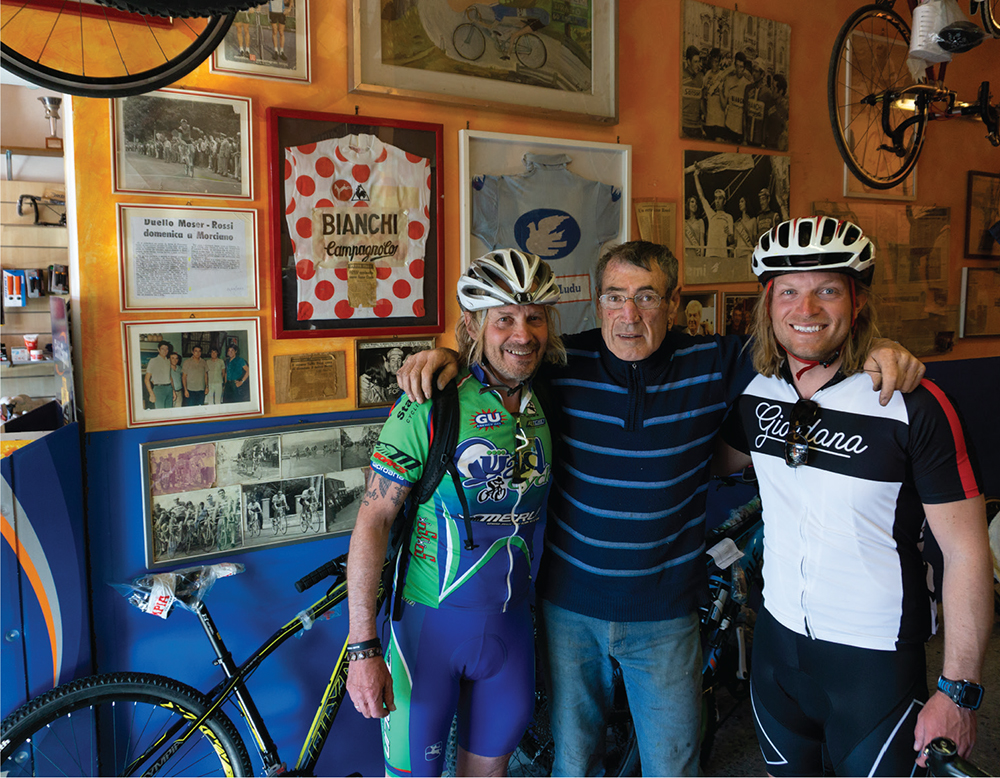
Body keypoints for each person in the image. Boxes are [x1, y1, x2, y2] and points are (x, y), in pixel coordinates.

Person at [396, 241, 923, 777]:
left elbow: (800, 338)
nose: (629, 316)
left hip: (666, 614)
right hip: (569, 609)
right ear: (597, 303)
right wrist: (444, 356)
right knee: (573, 764)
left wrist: (878, 345)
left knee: (673, 765)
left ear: (674, 304)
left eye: (647, 297)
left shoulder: (718, 362)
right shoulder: (559, 365)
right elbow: (498, 352)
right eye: (615, 297)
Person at [714, 216, 992, 776]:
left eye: (827, 290)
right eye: (789, 291)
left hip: (874, 662)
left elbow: (966, 551)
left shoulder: (911, 403)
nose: (806, 308)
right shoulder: (756, 394)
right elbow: (709, 462)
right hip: (777, 649)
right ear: (769, 304)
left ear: (857, 300)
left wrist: (960, 692)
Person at [345, 249, 564, 778]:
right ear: (473, 324)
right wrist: (361, 647)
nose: (523, 333)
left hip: (511, 634)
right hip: (426, 633)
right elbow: (372, 521)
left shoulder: (550, 398)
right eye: (504, 318)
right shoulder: (430, 402)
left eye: (534, 317)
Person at [694, 165, 734, 259]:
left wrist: (729, 234)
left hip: (723, 256)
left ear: (724, 201)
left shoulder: (729, 217)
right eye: (716, 198)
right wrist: (696, 176)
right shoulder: (711, 214)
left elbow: (731, 241)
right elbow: (701, 196)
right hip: (710, 255)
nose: (717, 201)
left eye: (720, 198)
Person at [721, 51, 750, 143]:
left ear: (744, 68)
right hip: (729, 126)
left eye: (741, 67)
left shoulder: (747, 84)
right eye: (737, 66)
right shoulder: (729, 81)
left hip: (740, 129)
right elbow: (724, 104)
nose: (738, 70)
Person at [702, 47, 728, 141]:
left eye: (717, 62)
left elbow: (725, 104)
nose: (714, 64)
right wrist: (705, 114)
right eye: (713, 61)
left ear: (720, 62)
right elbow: (703, 98)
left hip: (720, 121)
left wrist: (720, 90)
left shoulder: (723, 76)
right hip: (709, 121)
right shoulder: (707, 75)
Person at [681, 45, 705, 138]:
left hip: (697, 126)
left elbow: (701, 102)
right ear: (688, 61)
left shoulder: (701, 77)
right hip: (684, 126)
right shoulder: (681, 75)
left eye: (699, 61)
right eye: (695, 62)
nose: (698, 65)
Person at [144, 341, 174, 409]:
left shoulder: (168, 361)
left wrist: (173, 391)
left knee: (169, 412)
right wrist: (151, 394)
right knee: (161, 412)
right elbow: (146, 379)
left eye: (166, 349)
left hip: (169, 389)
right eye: (162, 349)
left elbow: (170, 377)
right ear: (158, 349)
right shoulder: (153, 361)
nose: (165, 351)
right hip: (159, 389)